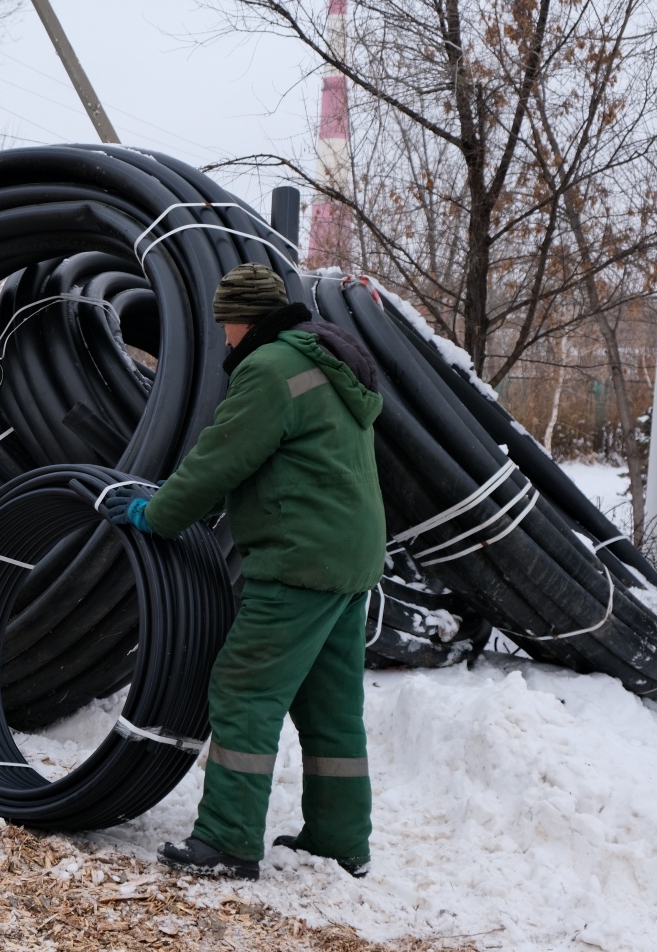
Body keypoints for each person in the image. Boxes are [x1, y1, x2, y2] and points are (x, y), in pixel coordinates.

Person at [104, 262, 385, 881]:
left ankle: (229, 841)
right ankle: (341, 841)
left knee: (243, 688)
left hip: (299, 560)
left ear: (238, 319)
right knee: (330, 705)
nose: (224, 338)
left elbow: (217, 460)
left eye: (225, 324)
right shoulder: (327, 361)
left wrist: (158, 514)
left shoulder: (269, 370)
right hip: (350, 558)